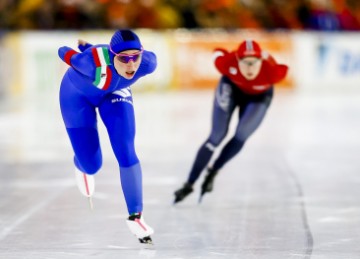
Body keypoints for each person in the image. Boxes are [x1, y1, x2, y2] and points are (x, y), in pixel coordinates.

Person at [58, 29, 156, 244]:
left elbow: (121, 55)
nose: (131, 66)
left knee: (125, 148)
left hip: (114, 94)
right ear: (113, 57)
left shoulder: (148, 63)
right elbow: (62, 51)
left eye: (135, 57)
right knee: (92, 165)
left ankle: (135, 217)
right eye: (123, 59)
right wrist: (84, 52)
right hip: (76, 96)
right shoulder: (89, 63)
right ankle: (81, 162)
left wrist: (88, 46)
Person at [174, 39, 288, 203]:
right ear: (237, 60)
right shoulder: (226, 63)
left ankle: (214, 170)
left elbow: (285, 69)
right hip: (232, 88)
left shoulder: (272, 70)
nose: (249, 68)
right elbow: (217, 52)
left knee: (242, 134)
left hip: (259, 96)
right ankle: (189, 183)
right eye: (245, 63)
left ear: (261, 61)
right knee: (216, 136)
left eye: (253, 63)